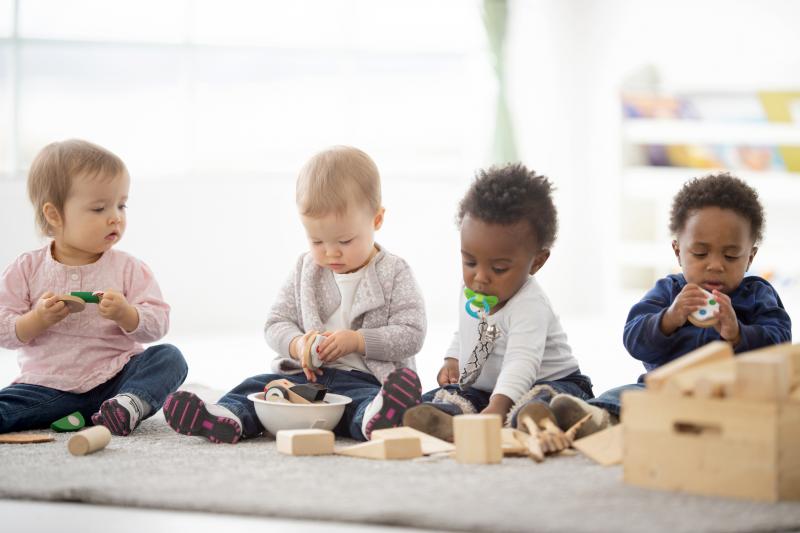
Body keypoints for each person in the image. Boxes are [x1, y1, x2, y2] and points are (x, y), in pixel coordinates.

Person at [164, 146, 426, 443]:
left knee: (362, 404)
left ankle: (376, 418)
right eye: (317, 240)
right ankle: (225, 416)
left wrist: (359, 340)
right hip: (304, 381)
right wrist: (298, 344)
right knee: (259, 388)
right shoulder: (306, 268)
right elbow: (276, 323)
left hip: (365, 380)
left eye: (345, 240)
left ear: (377, 220)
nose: (330, 252)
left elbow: (412, 334)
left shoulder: (394, 272)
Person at [553, 172, 792, 432]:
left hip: (731, 395)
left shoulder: (756, 294)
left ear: (750, 257)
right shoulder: (669, 291)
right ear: (678, 251)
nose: (715, 265)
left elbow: (781, 345)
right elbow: (634, 340)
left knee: (770, 412)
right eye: (700, 253)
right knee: (627, 395)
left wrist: (738, 334)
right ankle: (597, 418)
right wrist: (669, 319)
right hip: (666, 389)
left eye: (731, 255)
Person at [0, 139, 187, 436]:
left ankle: (127, 405)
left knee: (169, 358)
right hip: (48, 387)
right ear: (54, 215)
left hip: (116, 378)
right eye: (99, 208)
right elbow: (3, 328)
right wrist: (36, 319)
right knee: (6, 409)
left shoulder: (128, 268)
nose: (115, 216)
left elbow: (158, 324)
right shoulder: (26, 269)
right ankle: (85, 413)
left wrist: (127, 314)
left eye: (121, 205)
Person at [403, 163, 596, 441]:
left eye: (500, 268)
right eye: (469, 261)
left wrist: (499, 406)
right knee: (447, 396)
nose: (480, 277)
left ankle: (537, 417)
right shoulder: (473, 288)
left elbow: (522, 362)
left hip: (551, 382)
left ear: (537, 262)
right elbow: (468, 328)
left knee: (538, 400)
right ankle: (447, 417)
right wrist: (453, 358)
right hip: (488, 388)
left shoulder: (529, 304)